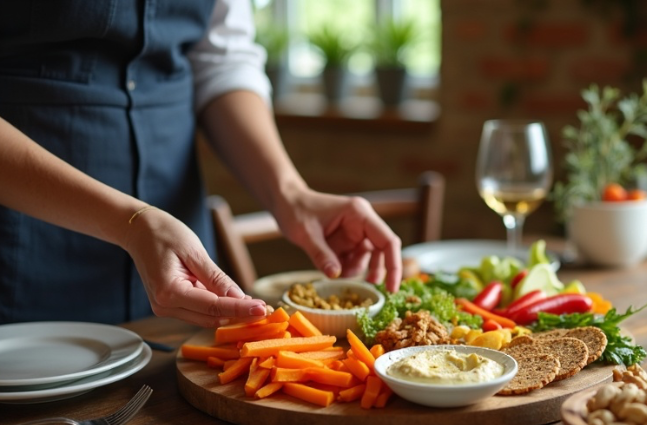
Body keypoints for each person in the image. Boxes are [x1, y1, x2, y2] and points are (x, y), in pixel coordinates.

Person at [0, 0, 402, 328]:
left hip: (179, 234)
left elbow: (220, 60)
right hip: (24, 246)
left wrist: (290, 194)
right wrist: (131, 222)